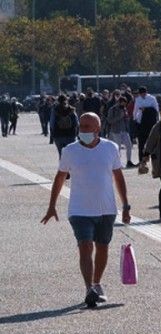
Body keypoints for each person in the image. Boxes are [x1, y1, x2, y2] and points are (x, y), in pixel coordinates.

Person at [41, 112, 131, 308]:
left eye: (87, 127)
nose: (82, 130)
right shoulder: (70, 151)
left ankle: (97, 283)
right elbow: (59, 178)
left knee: (102, 247)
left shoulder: (111, 148)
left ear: (98, 129)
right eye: (81, 126)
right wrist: (51, 206)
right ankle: (88, 288)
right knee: (85, 246)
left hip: (107, 209)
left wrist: (125, 205)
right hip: (79, 210)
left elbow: (118, 177)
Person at [105, 96, 135, 168]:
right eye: (123, 103)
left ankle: (129, 161)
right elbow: (109, 120)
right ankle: (118, 164)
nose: (124, 105)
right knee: (117, 148)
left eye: (125, 104)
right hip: (116, 131)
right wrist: (120, 116)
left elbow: (125, 118)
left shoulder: (124, 109)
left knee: (129, 145)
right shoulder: (112, 109)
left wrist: (127, 118)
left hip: (124, 130)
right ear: (119, 102)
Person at [133, 86, 160, 164]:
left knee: (153, 141)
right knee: (141, 142)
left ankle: (155, 160)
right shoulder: (138, 99)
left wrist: (157, 119)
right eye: (141, 94)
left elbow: (156, 109)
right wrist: (135, 119)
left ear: (146, 92)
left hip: (151, 122)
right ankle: (141, 160)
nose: (142, 95)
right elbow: (135, 110)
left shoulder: (152, 99)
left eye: (144, 93)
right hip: (141, 122)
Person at [50, 95, 79, 159]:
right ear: (66, 100)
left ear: (58, 101)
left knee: (61, 154)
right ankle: (70, 168)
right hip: (70, 135)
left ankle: (62, 167)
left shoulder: (55, 110)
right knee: (71, 155)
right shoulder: (72, 109)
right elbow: (77, 123)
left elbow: (52, 123)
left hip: (58, 135)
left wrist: (52, 133)